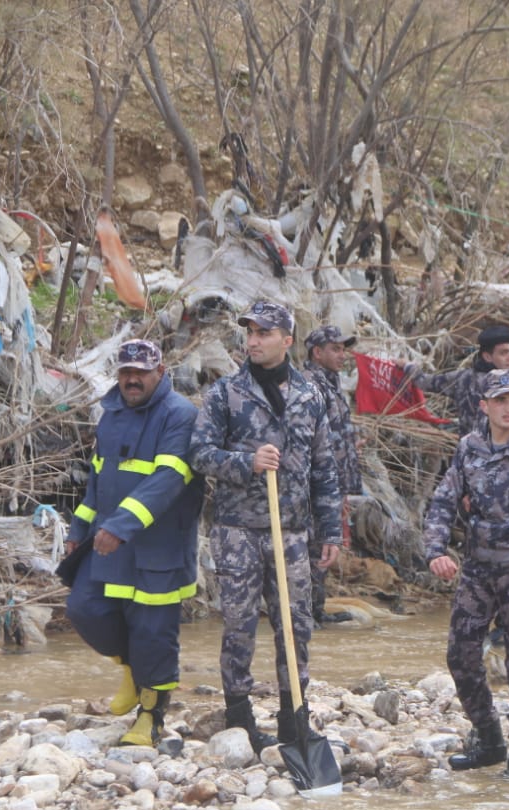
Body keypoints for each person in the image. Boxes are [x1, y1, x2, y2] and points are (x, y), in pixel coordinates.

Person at [188, 300, 342, 752]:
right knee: (238, 623)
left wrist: (330, 530)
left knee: (296, 623)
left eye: (264, 333)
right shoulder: (226, 393)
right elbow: (198, 454)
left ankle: (295, 717)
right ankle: (239, 716)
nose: (253, 340)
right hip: (238, 530)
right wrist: (245, 463)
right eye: (250, 332)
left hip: (293, 532)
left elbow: (324, 468)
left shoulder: (310, 395)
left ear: (287, 340)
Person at [65, 339, 204, 746]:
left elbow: (169, 480)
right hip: (109, 541)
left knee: (153, 631)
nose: (131, 379)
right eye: (125, 372)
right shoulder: (111, 415)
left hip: (157, 547)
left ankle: (151, 716)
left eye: (140, 372)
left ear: (159, 372)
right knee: (83, 608)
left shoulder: (180, 414)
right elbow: (97, 483)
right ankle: (131, 667)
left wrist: (121, 526)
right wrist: (78, 532)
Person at [423, 369, 509, 778]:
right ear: (484, 405)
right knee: (460, 655)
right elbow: (444, 500)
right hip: (479, 568)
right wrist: (435, 549)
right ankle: (489, 738)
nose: (508, 407)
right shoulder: (469, 447)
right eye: (500, 400)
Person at [302, 324, 362, 626]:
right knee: (315, 548)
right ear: (317, 352)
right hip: (314, 486)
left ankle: (315, 609)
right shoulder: (310, 385)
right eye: (336, 349)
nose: (342, 355)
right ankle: (307, 613)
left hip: (331, 485)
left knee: (322, 547)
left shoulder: (331, 384)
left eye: (343, 349)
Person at [407, 325, 509, 435]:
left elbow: (424, 381)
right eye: (503, 353)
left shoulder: (462, 377)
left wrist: (408, 367)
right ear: (487, 357)